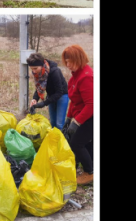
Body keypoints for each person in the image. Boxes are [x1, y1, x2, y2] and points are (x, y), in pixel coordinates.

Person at [61, 45, 93, 185]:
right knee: (85, 142)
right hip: (81, 115)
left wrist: (77, 122)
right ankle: (92, 167)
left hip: (90, 116)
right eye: (66, 62)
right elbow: (74, 101)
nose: (67, 65)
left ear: (79, 59)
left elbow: (91, 105)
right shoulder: (75, 76)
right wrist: (69, 118)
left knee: (76, 143)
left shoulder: (86, 77)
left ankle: (89, 172)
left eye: (70, 62)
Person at [27, 52, 69, 130]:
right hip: (51, 96)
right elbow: (39, 87)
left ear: (42, 65)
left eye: (35, 68)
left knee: (59, 124)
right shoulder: (39, 73)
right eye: (32, 69)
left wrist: (44, 103)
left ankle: (62, 141)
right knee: (52, 123)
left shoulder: (54, 71)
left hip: (62, 96)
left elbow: (59, 92)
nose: (34, 71)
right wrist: (35, 99)